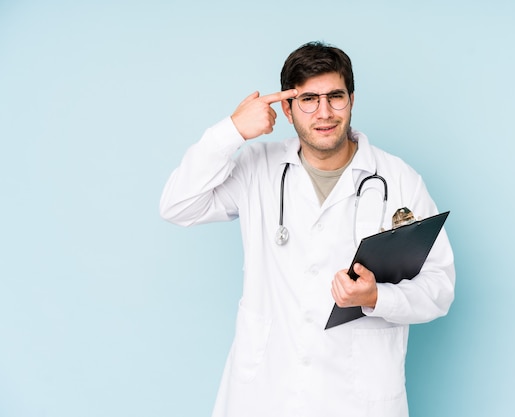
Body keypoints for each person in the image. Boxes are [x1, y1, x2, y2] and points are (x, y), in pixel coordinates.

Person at [160, 41, 455, 417]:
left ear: (351, 99)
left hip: (355, 397)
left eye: (335, 97)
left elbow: (439, 288)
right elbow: (177, 205)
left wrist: (376, 297)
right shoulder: (258, 168)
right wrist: (231, 131)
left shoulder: (398, 180)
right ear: (286, 108)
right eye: (308, 99)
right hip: (266, 392)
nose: (324, 112)